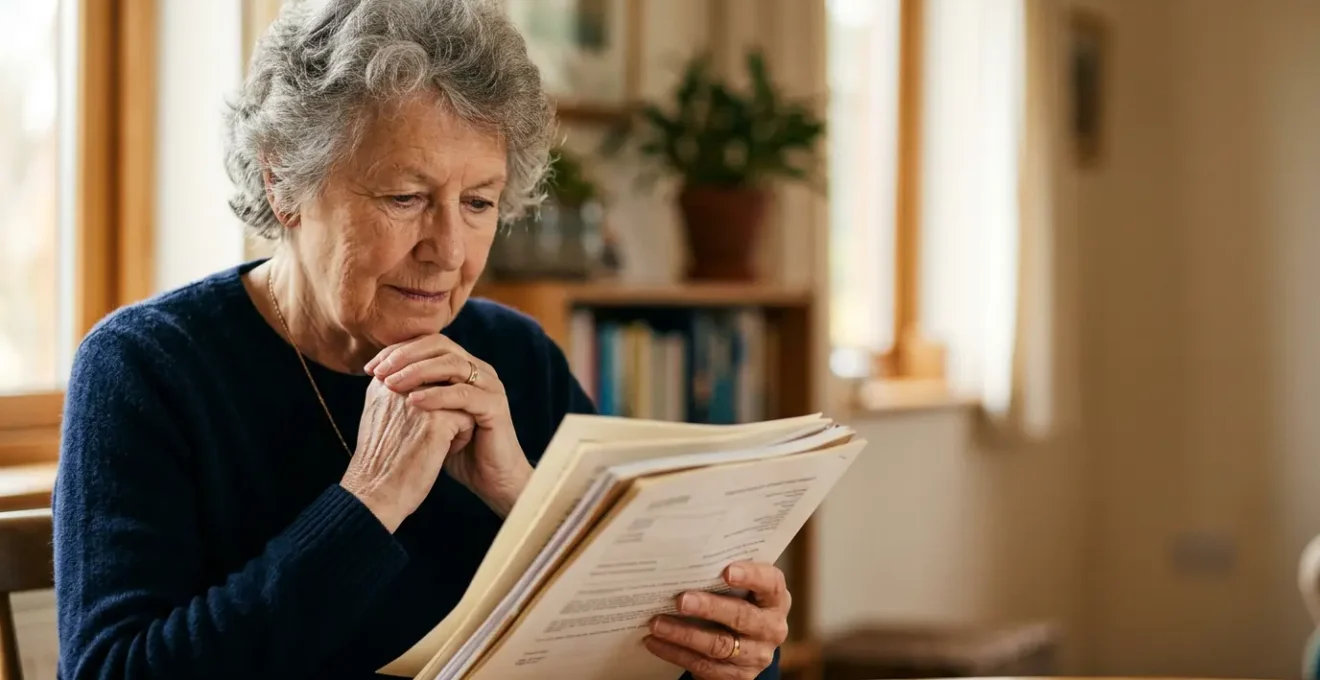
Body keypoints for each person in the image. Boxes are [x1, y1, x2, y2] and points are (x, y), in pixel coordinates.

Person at [52, 1, 792, 679]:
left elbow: (634, 654)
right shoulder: (147, 367)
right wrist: (368, 503)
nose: (448, 249)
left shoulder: (517, 356)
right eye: (405, 198)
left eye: (478, 203)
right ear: (284, 181)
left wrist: (733, 649)